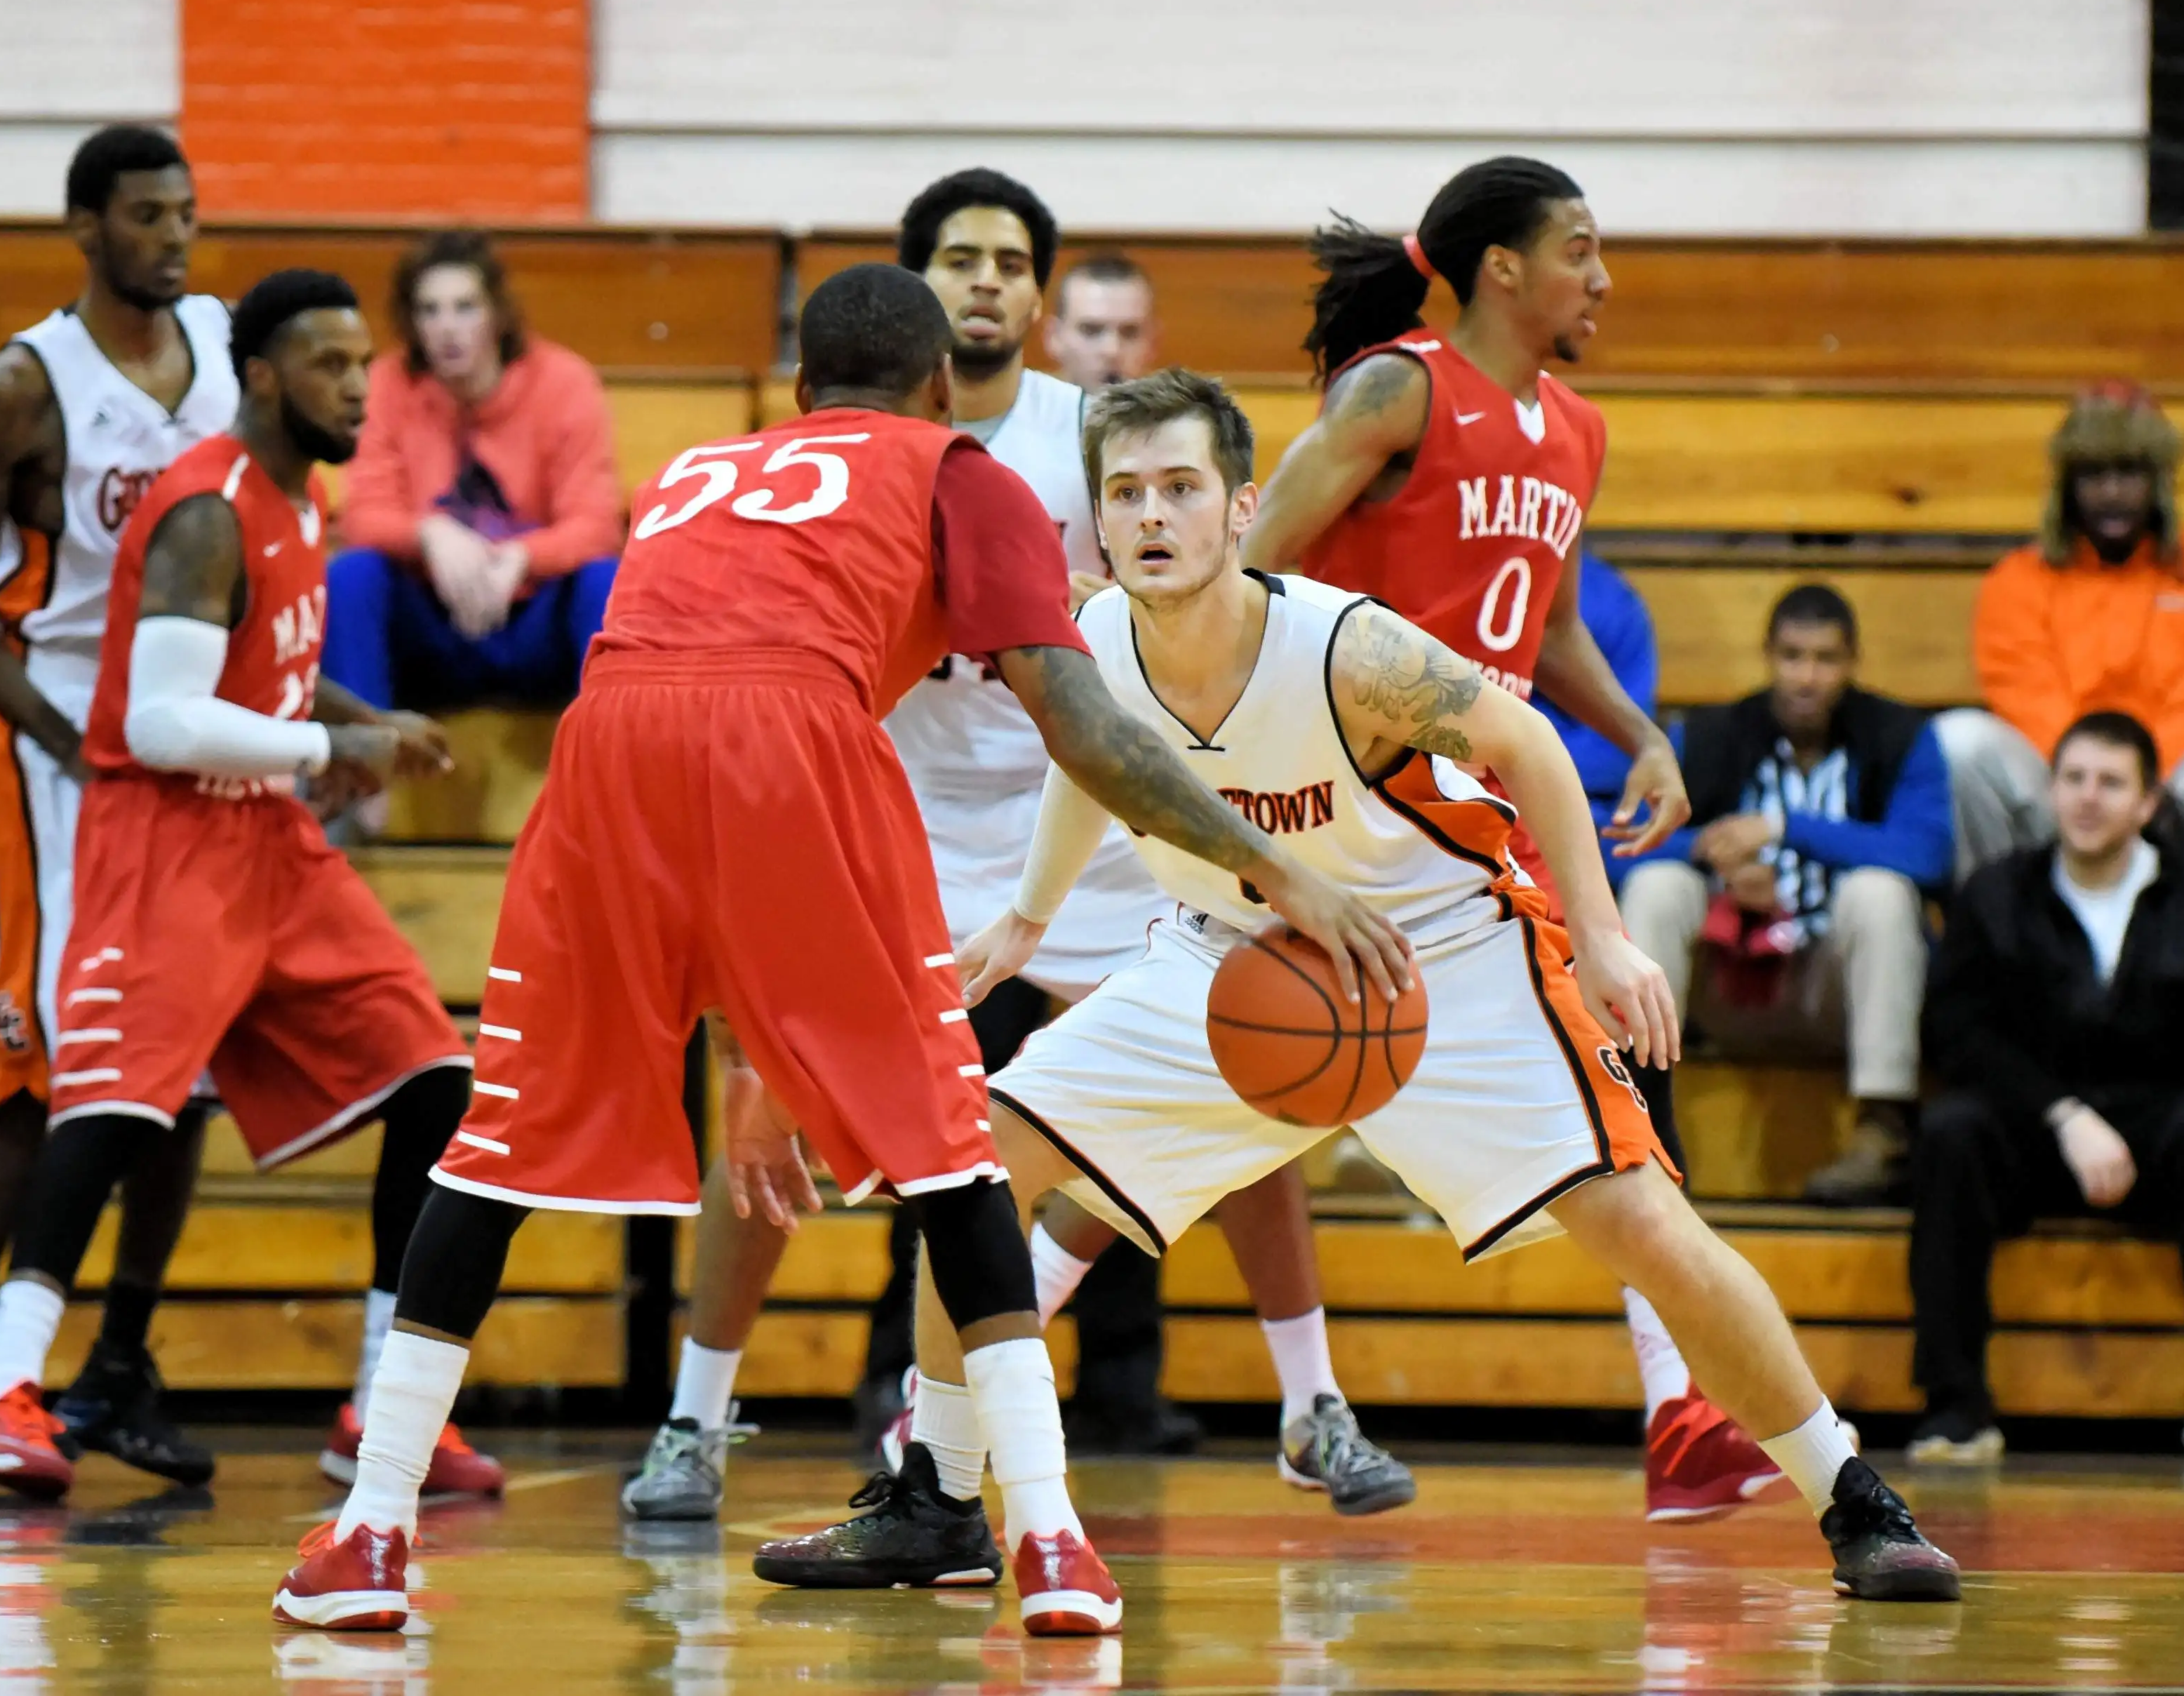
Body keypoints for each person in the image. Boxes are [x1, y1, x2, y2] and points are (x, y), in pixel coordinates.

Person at [273, 263, 1407, 1638]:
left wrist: (760, 1030)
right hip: (794, 742)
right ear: (940, 391)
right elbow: (1083, 725)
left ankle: (368, 1528)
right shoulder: (958, 467)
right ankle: (1044, 1534)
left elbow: (695, 707)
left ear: (803, 394)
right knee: (948, 1151)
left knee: (491, 1142)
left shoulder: (701, 468)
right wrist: (1272, 862)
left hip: (604, 750)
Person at [761, 368, 1959, 1605]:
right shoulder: (1094, 640)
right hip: (1228, 955)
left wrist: (1601, 938)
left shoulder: (1342, 647)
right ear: (1100, 523)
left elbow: (1528, 744)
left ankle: (1849, 1494)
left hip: (1442, 951)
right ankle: (940, 1500)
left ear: (1239, 510)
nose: (1153, 515)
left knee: (1642, 1225)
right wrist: (1027, 914)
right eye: (1127, 494)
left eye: (1182, 487)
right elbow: (1092, 757)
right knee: (982, 1149)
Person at [619, 170, 1402, 1525]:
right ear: (917, 294)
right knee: (772, 1108)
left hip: (1079, 824)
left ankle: (1308, 1401)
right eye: (959, 260)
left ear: (1040, 297)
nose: (986, 281)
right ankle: (696, 1417)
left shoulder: (1089, 436)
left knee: (1261, 1064)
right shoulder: (832, 451)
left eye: (1008, 262)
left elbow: (1183, 594)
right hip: (894, 827)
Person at [1179, 154, 1767, 1524]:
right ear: (1498, 267)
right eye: (1578, 248)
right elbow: (1248, 570)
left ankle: (1677, 1409)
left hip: (1475, 801)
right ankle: (953, 1410)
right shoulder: (1392, 388)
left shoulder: (1575, 429)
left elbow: (1546, 626)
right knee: (1212, 1107)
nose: (1600, 277)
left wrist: (1639, 734)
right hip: (1356, 782)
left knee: (1611, 1067)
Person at [0, 270, 497, 1504]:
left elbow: (260, 672)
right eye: (329, 364)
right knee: (119, 1108)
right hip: (168, 837)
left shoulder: (300, 496)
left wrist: (356, 715)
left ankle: (384, 1410)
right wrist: (325, 750)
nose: (357, 384)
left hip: (270, 848)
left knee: (437, 1078)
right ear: (260, 376)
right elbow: (166, 718)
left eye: (363, 363)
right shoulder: (205, 510)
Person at [0, 126, 234, 1478]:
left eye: (187, 213)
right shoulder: (17, 389)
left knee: (182, 1068)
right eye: (148, 215)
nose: (175, 236)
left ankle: (118, 1362)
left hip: (183, 722)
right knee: (37, 1066)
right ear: (85, 227)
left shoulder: (221, 349)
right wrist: (77, 744)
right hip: (47, 733)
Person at [1908, 711, 2184, 1464]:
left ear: (2147, 803)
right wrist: (2062, 1111)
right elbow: (1955, 1031)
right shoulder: (1994, 894)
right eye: (2072, 778)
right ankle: (1956, 1406)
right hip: (2033, 1127)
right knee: (1949, 1132)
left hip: (2161, 1131)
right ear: (2049, 791)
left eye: (2110, 782)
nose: (2087, 797)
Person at [1619, 585, 1950, 1206]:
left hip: (1835, 987)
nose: (1807, 676)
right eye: (1793, 656)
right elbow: (1620, 845)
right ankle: (1637, 1113)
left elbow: (1930, 854)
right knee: (1659, 884)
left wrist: (1788, 827)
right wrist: (1705, 854)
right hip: (1726, 982)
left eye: (1826, 659)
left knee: (1881, 894)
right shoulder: (1713, 734)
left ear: (1853, 662)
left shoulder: (1901, 735)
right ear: (1768, 655)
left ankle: (1883, 1127)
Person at [320, 231, 621, 753]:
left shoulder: (563, 382)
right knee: (350, 574)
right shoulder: (387, 384)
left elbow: (596, 524)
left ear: (497, 314)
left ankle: (608, 768)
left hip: (528, 622)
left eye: (465, 308)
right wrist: (430, 534)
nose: (447, 329)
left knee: (604, 580)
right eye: (429, 311)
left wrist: (521, 559)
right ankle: (362, 773)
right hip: (431, 627)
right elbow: (362, 515)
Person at [1938, 382, 2184, 879]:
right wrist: (2095, 782)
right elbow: (2026, 695)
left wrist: (2144, 784)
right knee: (1959, 741)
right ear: (2068, 487)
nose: (2110, 492)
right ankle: (1997, 934)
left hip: (2171, 790)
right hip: (2060, 785)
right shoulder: (2017, 580)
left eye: (2128, 472)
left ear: (2158, 480)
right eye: (2092, 474)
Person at [1531, 550, 1660, 887]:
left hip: (1593, 812)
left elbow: (1619, 749)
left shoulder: (1613, 601)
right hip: (1480, 798)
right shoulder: (1468, 582)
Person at [1043, 253, 1157, 391]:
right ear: (1054, 337)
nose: (1112, 351)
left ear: (1152, 342)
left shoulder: (1179, 411)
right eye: (1091, 331)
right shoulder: (1022, 410)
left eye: (1130, 333)